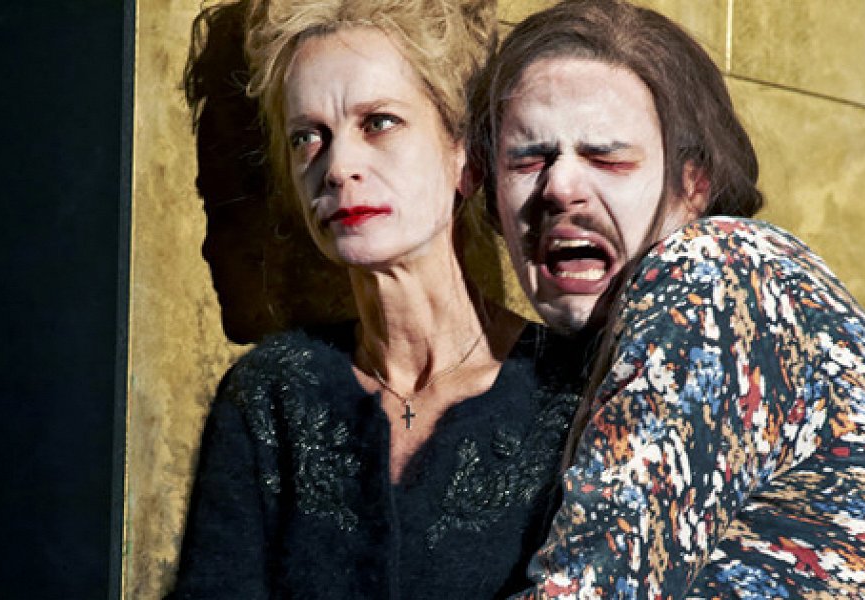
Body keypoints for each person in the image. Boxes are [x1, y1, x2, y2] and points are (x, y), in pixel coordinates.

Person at [468, 0, 865, 597]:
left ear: (693, 184)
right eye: (529, 158)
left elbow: (600, 586)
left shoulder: (716, 266)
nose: (560, 187)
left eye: (607, 158)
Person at [169, 1, 591, 598]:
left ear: (465, 154)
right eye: (307, 137)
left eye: (379, 122)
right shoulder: (269, 395)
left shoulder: (573, 394)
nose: (337, 167)